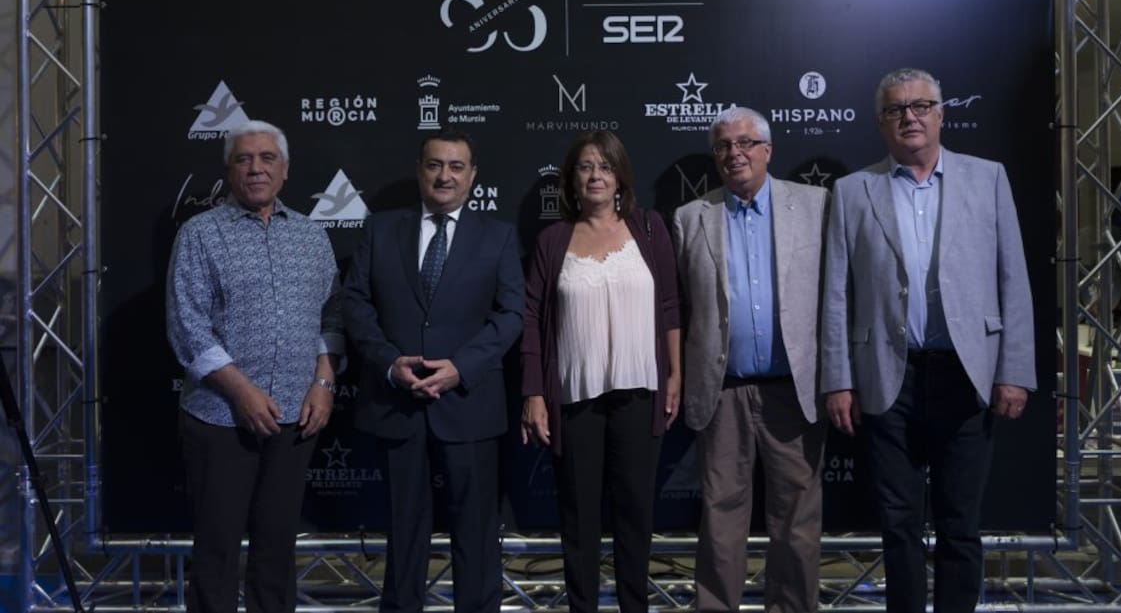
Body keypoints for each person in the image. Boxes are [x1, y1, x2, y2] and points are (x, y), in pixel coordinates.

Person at [820, 67, 1036, 613]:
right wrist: (839, 379)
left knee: (961, 523)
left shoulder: (988, 178)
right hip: (887, 377)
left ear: (941, 115)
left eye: (920, 106)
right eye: (896, 109)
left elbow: (1013, 278)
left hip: (967, 372)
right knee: (898, 524)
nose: (909, 117)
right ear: (880, 122)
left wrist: (1014, 370)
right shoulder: (851, 191)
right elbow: (837, 294)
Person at [342, 129, 523, 613]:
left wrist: (461, 368)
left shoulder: (499, 236)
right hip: (396, 405)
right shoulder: (381, 229)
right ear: (419, 170)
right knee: (403, 531)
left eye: (456, 166)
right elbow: (355, 303)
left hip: (469, 405)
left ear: (473, 175)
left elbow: (511, 314)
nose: (445, 176)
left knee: (477, 534)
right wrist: (388, 363)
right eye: (435, 165)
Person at [166, 120, 342, 613]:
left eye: (267, 158)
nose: (256, 168)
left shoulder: (312, 236)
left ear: (285, 170)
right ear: (229, 171)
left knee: (277, 547)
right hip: (220, 418)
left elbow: (332, 316)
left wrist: (324, 382)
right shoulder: (200, 235)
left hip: (295, 420)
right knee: (217, 548)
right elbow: (187, 326)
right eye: (244, 159)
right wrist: (241, 393)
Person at [672, 107, 829, 613]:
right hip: (722, 392)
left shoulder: (816, 205)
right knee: (720, 520)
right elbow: (683, 308)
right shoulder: (690, 218)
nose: (734, 153)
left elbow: (837, 296)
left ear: (767, 149)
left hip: (794, 391)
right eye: (723, 146)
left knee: (798, 523)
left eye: (745, 143)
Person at [520, 131, 681, 613]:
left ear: (620, 177)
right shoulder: (553, 240)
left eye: (605, 166)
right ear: (572, 179)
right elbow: (532, 320)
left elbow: (670, 306)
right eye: (586, 167)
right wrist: (533, 393)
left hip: (640, 394)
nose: (595, 176)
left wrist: (675, 373)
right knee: (579, 519)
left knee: (635, 516)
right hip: (575, 399)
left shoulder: (649, 228)